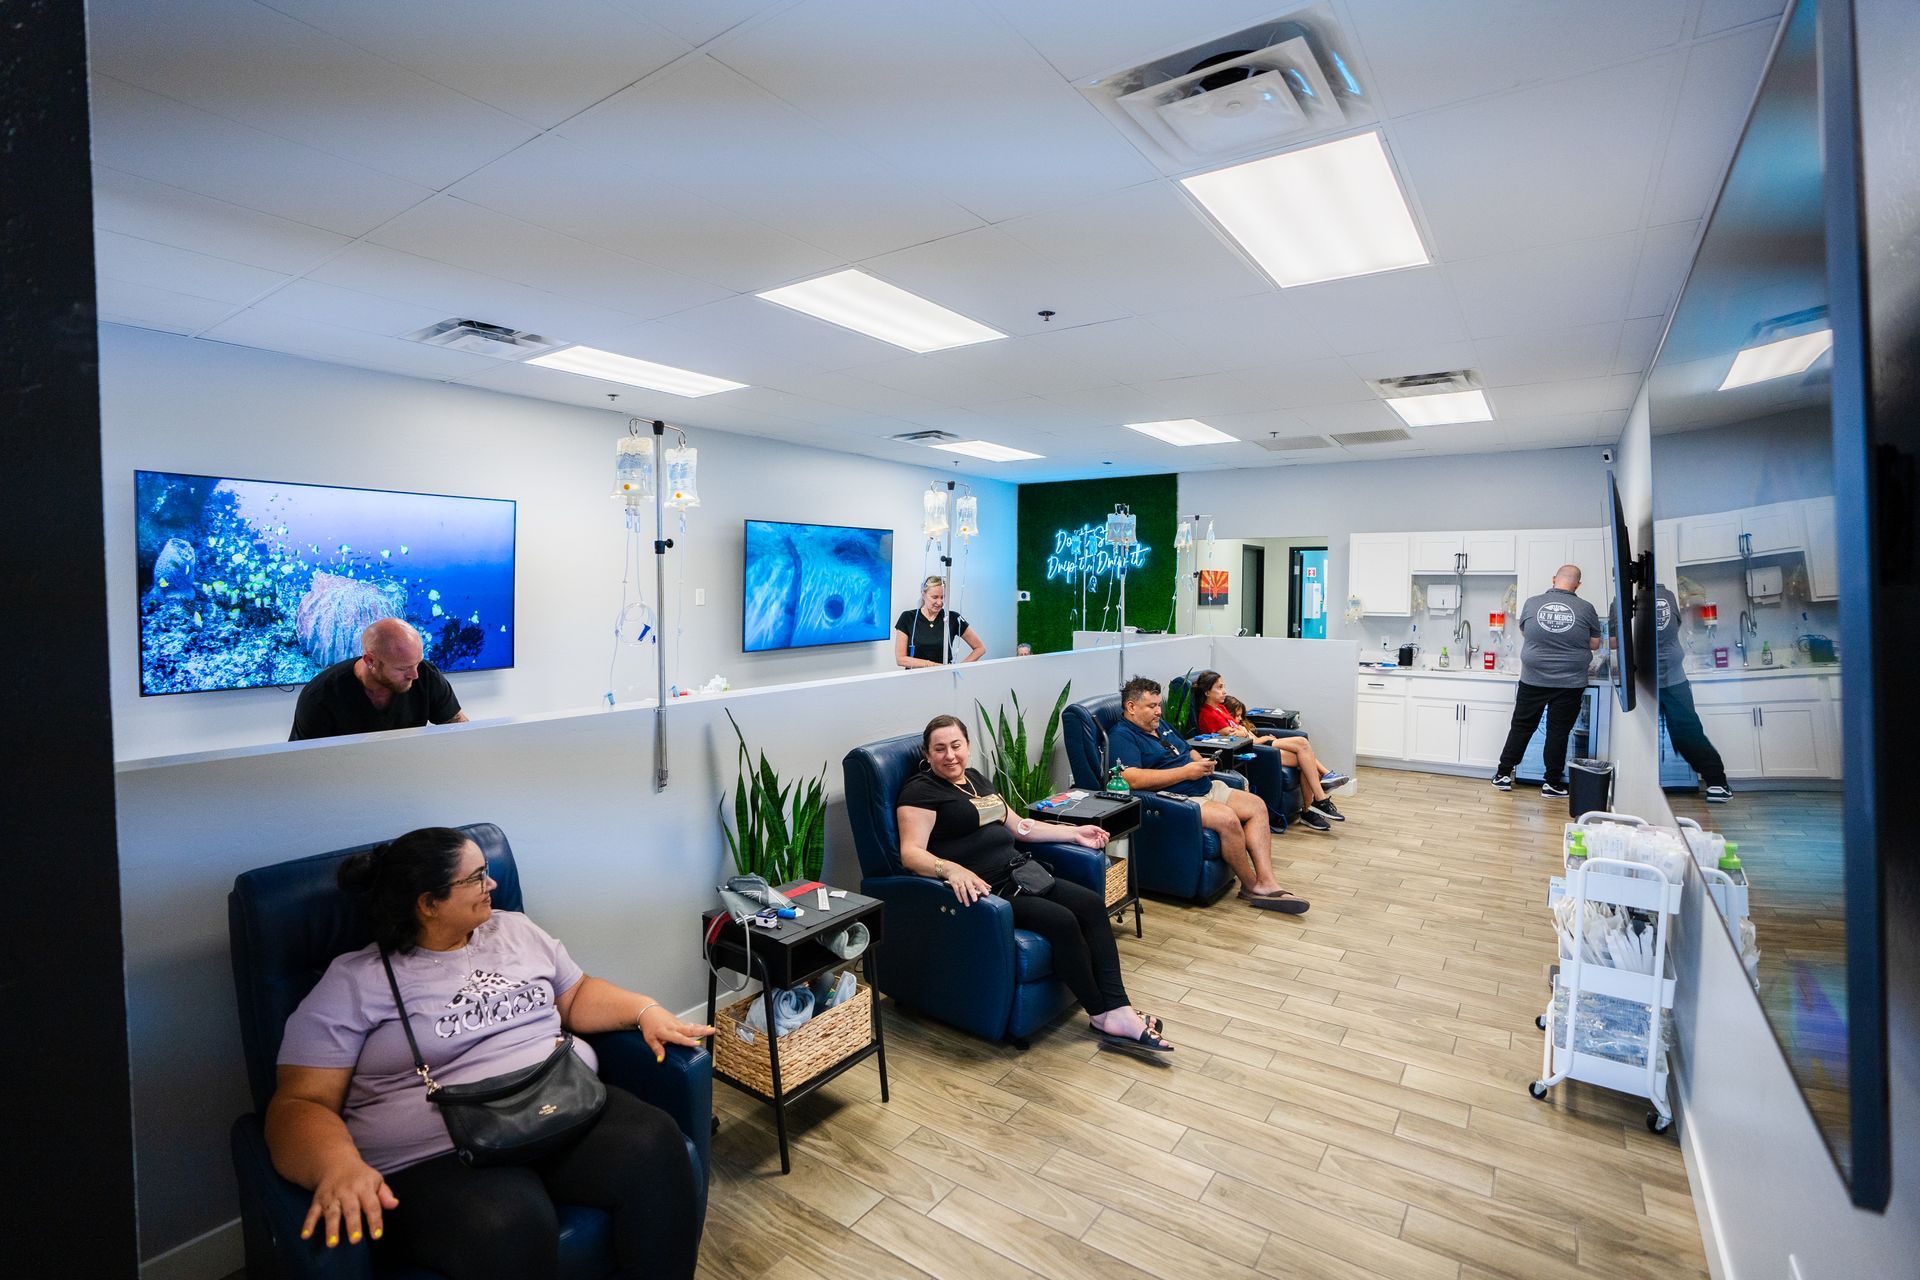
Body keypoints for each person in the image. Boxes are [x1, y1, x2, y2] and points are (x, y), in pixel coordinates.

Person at [267, 827, 713, 1279]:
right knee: (509, 1224)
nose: (492, 885)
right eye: (477, 877)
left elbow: (576, 996)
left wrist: (645, 1011)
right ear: (428, 903)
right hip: (440, 1155)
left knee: (657, 1143)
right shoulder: (355, 982)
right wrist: (337, 1167)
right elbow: (301, 1102)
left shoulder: (514, 930)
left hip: (557, 1102)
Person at [896, 715, 1172, 1055]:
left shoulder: (977, 781)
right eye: (940, 749)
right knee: (1063, 921)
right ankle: (1102, 1014)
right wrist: (950, 869)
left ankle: (1118, 1007)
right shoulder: (920, 791)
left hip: (1023, 872)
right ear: (927, 753)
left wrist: (1075, 832)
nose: (950, 755)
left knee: (1089, 904)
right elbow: (910, 853)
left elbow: (1020, 827)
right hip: (989, 889)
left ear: (967, 746)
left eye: (956, 746)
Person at [1108, 677, 1309, 914]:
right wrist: (1185, 772)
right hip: (1174, 797)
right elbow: (1132, 779)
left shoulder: (1160, 725)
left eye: (1158, 705)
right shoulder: (1122, 735)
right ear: (1131, 707)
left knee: (1256, 806)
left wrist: (1201, 763)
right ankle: (1251, 886)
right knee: (1227, 818)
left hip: (1201, 784)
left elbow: (1187, 748)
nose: (1158, 711)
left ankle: (1267, 881)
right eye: (1151, 706)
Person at [1190, 670, 1350, 831]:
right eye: (1219, 687)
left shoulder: (1221, 709)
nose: (1224, 691)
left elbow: (1240, 729)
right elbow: (1235, 736)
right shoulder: (1207, 714)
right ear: (1206, 692)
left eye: (1223, 686)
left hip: (1255, 742)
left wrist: (1242, 731)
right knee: (1303, 748)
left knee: (1304, 755)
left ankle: (1314, 804)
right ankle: (1319, 796)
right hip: (1252, 750)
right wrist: (1244, 733)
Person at [1494, 564, 1602, 797]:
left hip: (1533, 677)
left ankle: (1503, 775)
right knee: (1558, 732)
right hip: (1569, 680)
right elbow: (1594, 644)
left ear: (1554, 579)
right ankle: (1551, 783)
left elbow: (1526, 631)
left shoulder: (1532, 603)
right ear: (1578, 584)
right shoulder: (1586, 608)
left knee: (1522, 727)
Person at [290, 618, 470, 741]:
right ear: (370, 661)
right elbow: (305, 762)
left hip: (410, 772)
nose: (414, 675)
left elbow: (460, 728)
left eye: (417, 663)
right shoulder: (320, 696)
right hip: (344, 782)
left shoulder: (426, 674)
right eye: (402, 668)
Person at [1653, 583, 1732, 802]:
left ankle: (1717, 781)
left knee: (1682, 732)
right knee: (1687, 732)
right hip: (1671, 675)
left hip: (1656, 678)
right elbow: (1674, 626)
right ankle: (1717, 782)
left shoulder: (1631, 598)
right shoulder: (1666, 595)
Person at [894, 576, 986, 668]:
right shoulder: (908, 618)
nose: (939, 602)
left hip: (944, 678)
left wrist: (958, 668)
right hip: (914, 679)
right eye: (935, 597)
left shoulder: (953, 618)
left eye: (942, 597)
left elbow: (980, 648)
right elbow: (901, 659)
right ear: (923, 594)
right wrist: (933, 665)